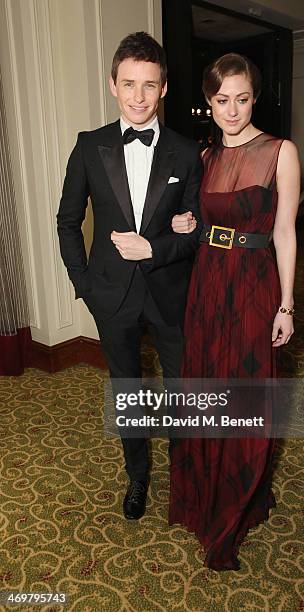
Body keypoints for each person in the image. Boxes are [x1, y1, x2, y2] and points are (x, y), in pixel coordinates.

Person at [57, 32, 202, 522]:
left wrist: (156, 248)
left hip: (170, 295)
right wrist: (85, 286)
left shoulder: (187, 152)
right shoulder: (89, 146)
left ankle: (186, 480)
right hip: (111, 296)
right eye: (128, 84)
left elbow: (195, 232)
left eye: (149, 85)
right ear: (113, 85)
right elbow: (67, 221)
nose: (138, 96)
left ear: (164, 88)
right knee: (128, 391)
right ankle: (137, 475)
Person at [169, 53, 300, 571]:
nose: (233, 110)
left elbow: (286, 232)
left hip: (251, 283)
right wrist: (186, 224)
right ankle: (204, 495)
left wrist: (286, 304)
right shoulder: (202, 157)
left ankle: (238, 500)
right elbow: (199, 221)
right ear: (209, 101)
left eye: (242, 98)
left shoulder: (279, 151)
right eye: (222, 100)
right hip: (206, 283)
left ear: (254, 97)